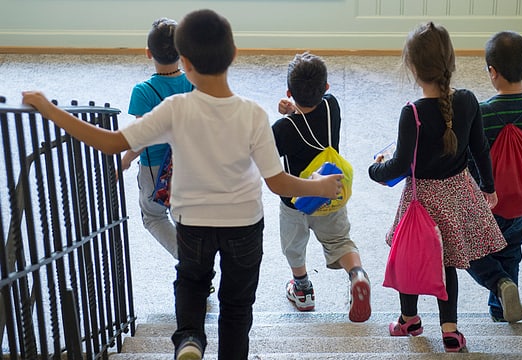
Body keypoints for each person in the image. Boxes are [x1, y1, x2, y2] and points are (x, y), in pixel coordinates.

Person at [22, 9, 343, 360]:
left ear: (184, 61)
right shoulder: (253, 113)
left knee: (190, 282)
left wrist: (48, 108)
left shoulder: (174, 109)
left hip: (193, 223)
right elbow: (277, 181)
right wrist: (320, 187)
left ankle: (190, 339)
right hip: (244, 225)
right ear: (234, 54)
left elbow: (112, 142)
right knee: (237, 308)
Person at [368, 22, 507, 353]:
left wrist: (375, 169)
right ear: (451, 62)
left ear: (413, 68)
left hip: (421, 201)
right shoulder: (470, 101)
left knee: (410, 257)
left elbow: (399, 166)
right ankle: (450, 330)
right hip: (457, 195)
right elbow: (480, 148)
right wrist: (489, 186)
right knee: (447, 264)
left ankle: (409, 319)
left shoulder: (412, 113)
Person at [466, 31, 522, 323]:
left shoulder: (482, 113)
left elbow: (471, 162)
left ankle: (499, 283)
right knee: (511, 249)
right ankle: (500, 309)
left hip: (490, 203)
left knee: (470, 246)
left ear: (492, 72)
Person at [271, 52, 371, 322]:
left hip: (297, 202)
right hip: (331, 193)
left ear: (289, 92)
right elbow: (312, 115)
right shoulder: (332, 107)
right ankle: (358, 275)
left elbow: (270, 155)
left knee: (293, 247)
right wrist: (295, 108)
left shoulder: (282, 130)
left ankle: (302, 290)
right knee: (340, 241)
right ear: (326, 88)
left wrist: (289, 112)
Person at [121, 17, 193, 260]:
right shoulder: (194, 83)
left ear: (148, 53)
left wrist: (126, 159)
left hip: (154, 167)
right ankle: (197, 257)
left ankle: (187, 260)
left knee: (152, 215)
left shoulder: (143, 91)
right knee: (185, 213)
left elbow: (142, 135)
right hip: (189, 164)